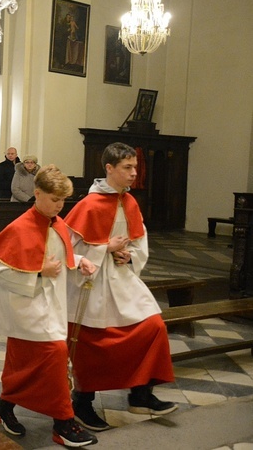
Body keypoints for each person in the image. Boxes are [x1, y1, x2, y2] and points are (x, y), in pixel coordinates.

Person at [64, 142, 177, 431]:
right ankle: (82, 401)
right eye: (128, 168)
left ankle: (141, 394)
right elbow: (68, 248)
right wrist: (104, 248)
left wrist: (129, 255)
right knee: (93, 343)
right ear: (109, 168)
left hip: (122, 278)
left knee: (153, 327)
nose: (134, 173)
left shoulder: (130, 202)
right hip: (92, 282)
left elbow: (140, 243)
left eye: (135, 167)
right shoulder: (88, 205)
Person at [0, 165, 98, 447]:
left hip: (51, 307)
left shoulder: (57, 223)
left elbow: (62, 258)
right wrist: (38, 270)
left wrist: (78, 262)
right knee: (55, 355)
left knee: (25, 366)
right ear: (37, 193)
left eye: (63, 200)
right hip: (27, 308)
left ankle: (4, 406)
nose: (59, 206)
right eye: (54, 199)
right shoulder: (20, 227)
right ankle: (63, 422)